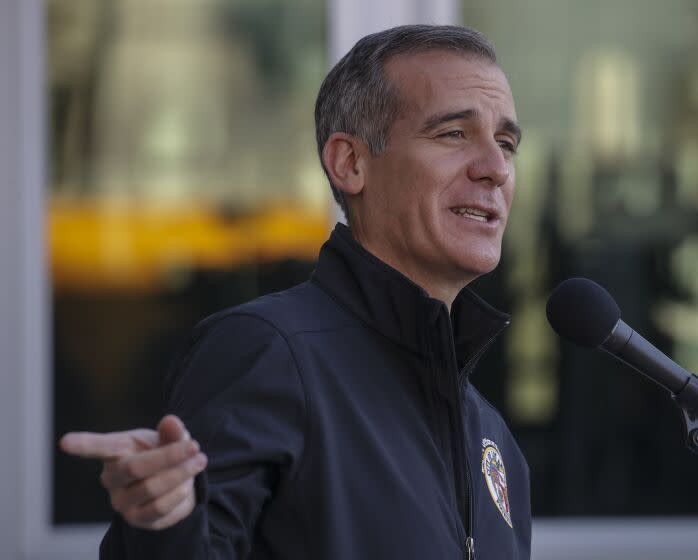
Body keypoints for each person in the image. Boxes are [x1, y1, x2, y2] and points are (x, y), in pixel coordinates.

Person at [61, 24, 531, 559]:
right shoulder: (269, 354)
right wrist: (166, 526)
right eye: (453, 134)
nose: (495, 169)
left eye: (507, 143)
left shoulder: (493, 437)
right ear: (350, 163)